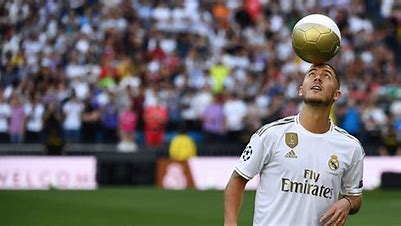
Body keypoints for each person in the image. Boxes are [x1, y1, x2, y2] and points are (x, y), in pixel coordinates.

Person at [224, 63, 364, 226]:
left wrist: (347, 203)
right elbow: (237, 179)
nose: (317, 77)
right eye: (311, 74)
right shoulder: (271, 134)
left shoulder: (351, 147)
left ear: (336, 95)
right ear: (300, 90)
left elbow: (355, 196)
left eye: (326, 75)